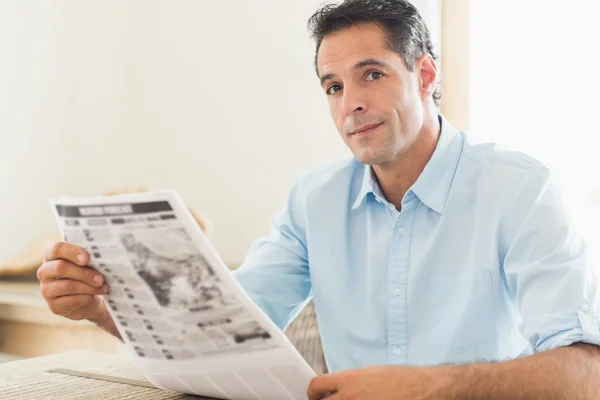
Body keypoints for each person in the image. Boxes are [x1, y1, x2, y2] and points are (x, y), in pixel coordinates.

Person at [37, 0, 600, 398]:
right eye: (333, 86)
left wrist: (432, 388)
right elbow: (220, 333)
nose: (350, 103)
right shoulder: (314, 199)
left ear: (425, 73)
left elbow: (586, 373)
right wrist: (100, 310)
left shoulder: (521, 189)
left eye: (371, 74)